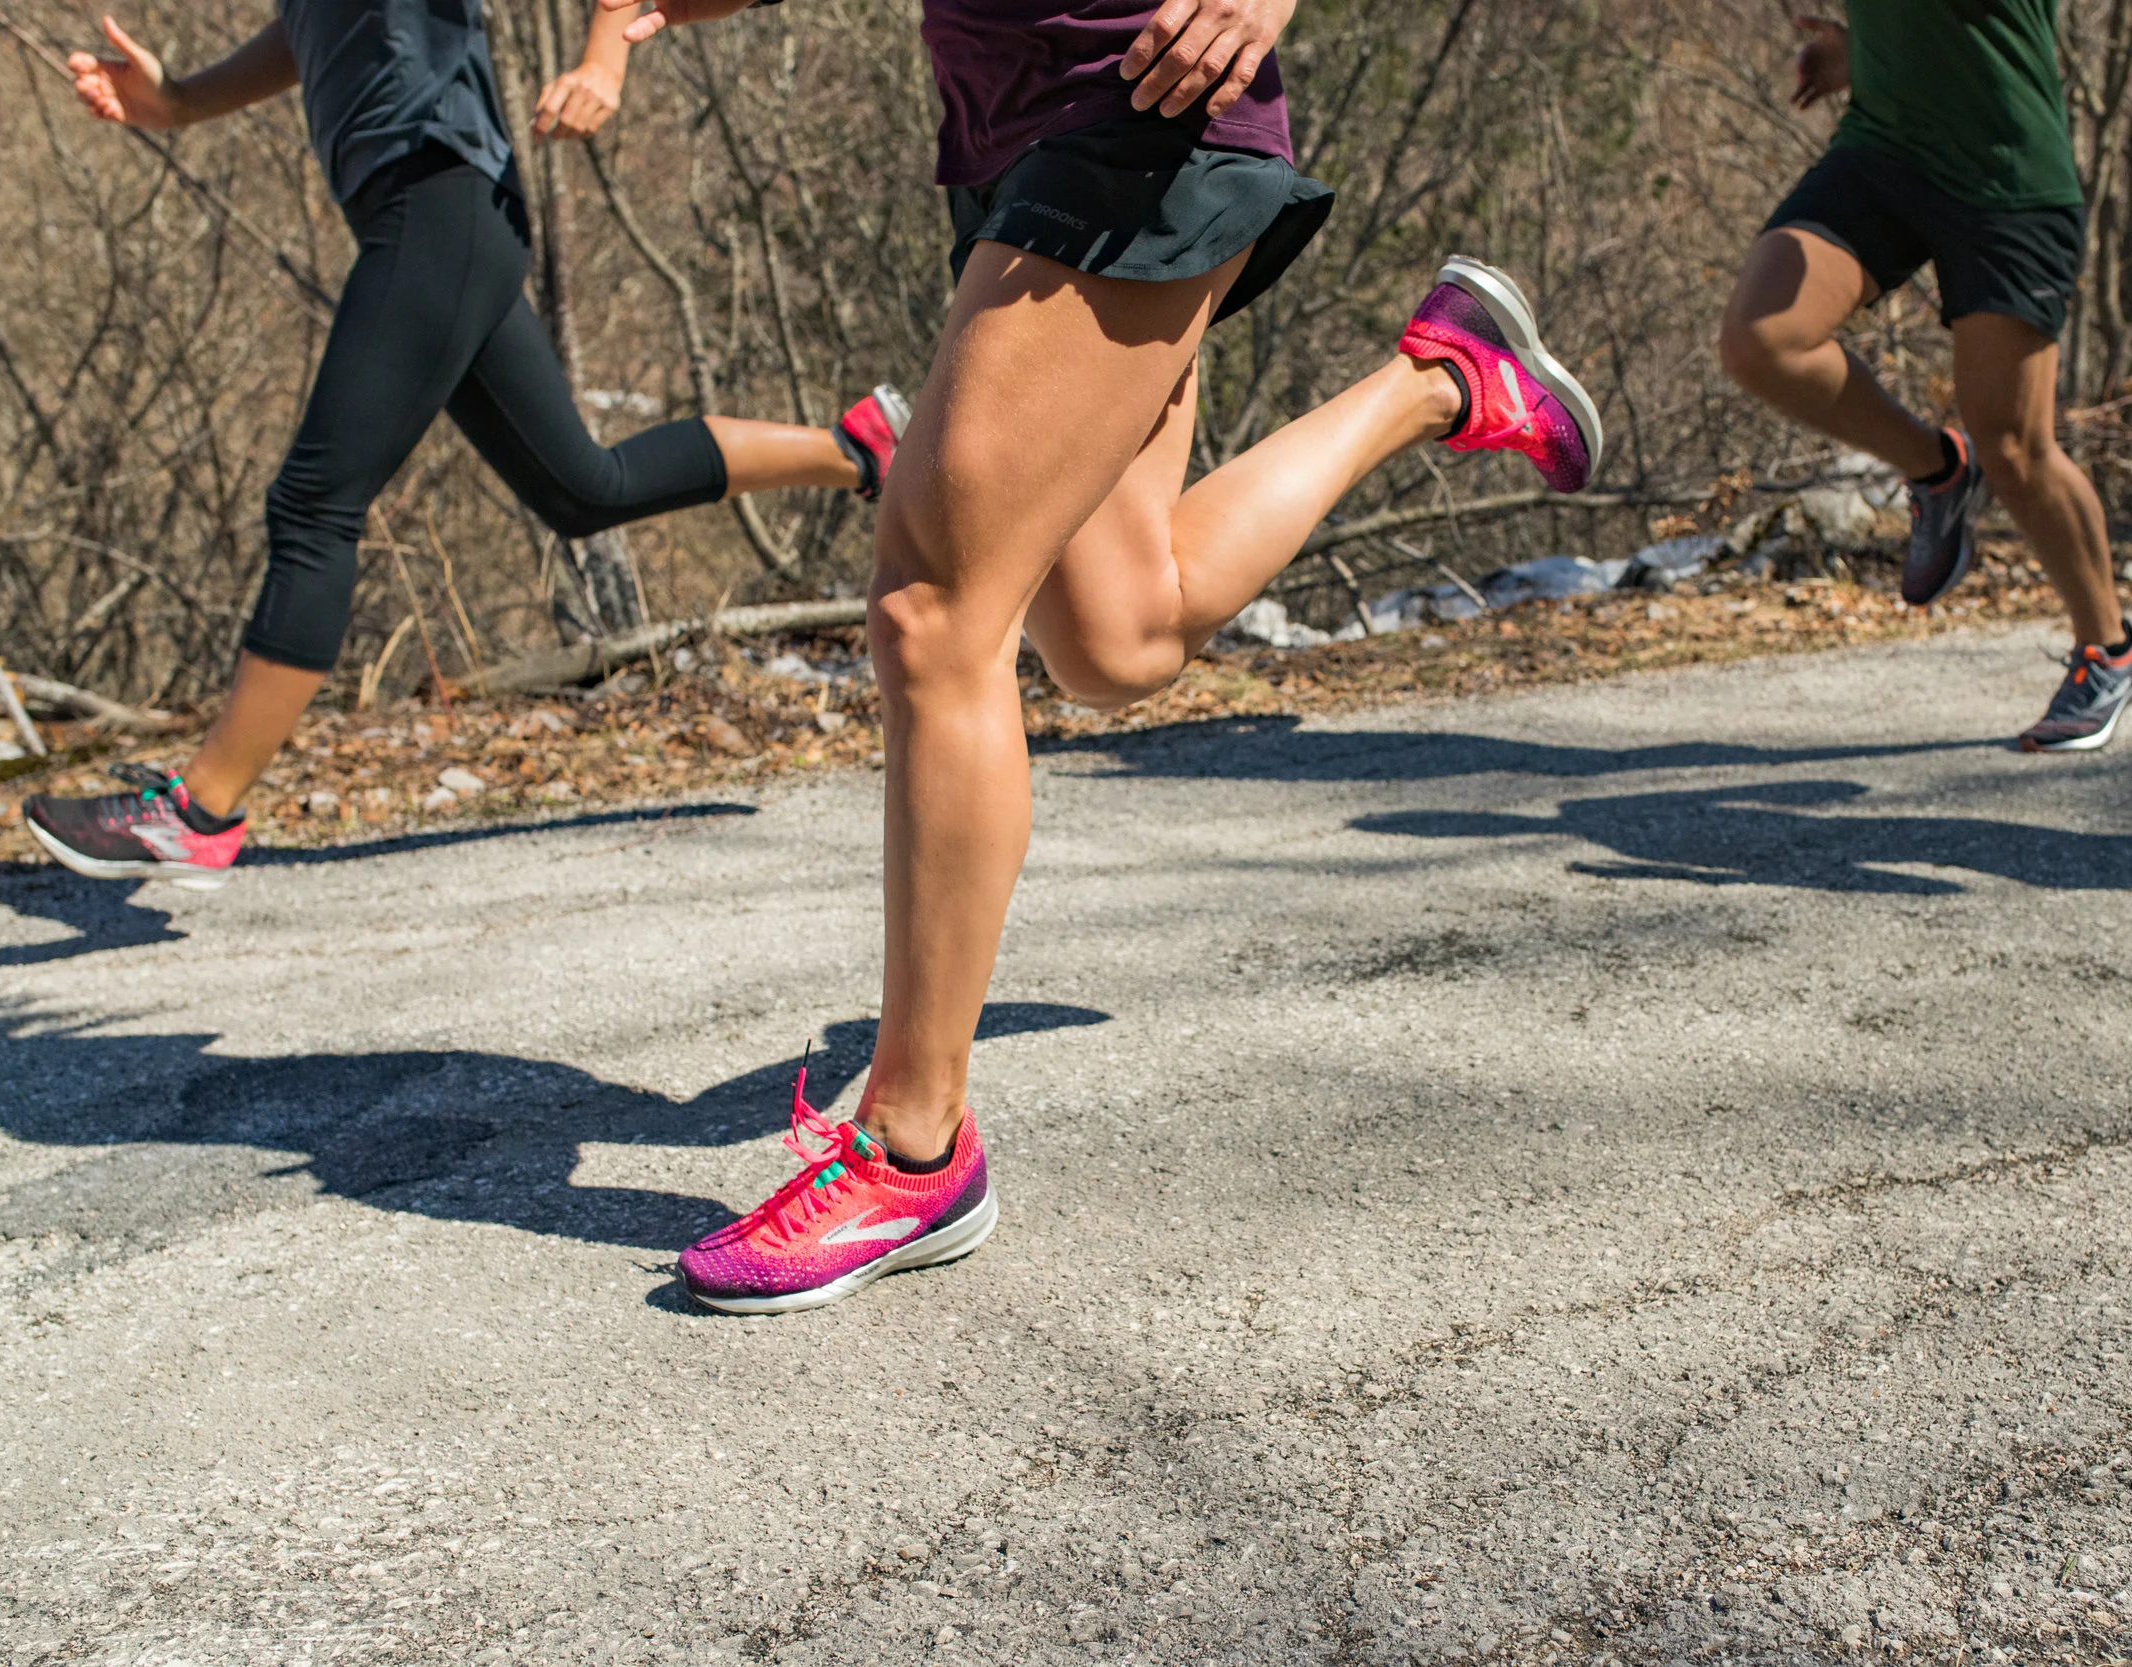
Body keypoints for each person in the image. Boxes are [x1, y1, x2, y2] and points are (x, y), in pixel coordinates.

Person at [613, 0, 1603, 1313]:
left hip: (1129, 106)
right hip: (1017, 136)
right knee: (1117, 629)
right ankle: (1441, 378)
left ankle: (913, 1141)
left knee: (933, 613)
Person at [22, 2, 912, 888]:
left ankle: (199, 811)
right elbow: (312, 28)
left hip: (437, 195)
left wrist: (605, 60)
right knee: (583, 490)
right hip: (433, 216)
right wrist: (176, 101)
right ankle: (862, 448)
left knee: (314, 501)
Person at [1718, 4, 2132, 752]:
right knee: (1763, 341)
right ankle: (1937, 469)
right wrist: (1870, 52)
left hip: (2006, 180)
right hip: (1886, 152)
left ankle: (2110, 648)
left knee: (2017, 450)